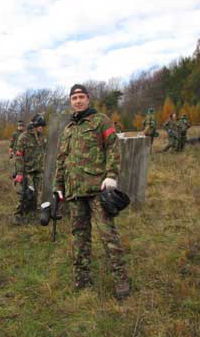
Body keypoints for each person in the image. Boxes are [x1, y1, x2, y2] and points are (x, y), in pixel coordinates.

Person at [53, 84, 130, 300]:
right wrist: (58, 187)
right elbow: (62, 161)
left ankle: (121, 279)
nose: (78, 101)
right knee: (79, 237)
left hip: (97, 189)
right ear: (70, 101)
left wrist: (111, 176)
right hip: (74, 192)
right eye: (74, 97)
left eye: (81, 97)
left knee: (108, 235)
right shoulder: (68, 129)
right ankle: (82, 278)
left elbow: (113, 147)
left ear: (88, 99)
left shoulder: (100, 121)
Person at [13, 114, 46, 224]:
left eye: (43, 126)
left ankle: (32, 214)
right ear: (35, 125)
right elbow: (19, 155)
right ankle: (17, 214)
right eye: (40, 126)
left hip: (38, 170)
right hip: (27, 171)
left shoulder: (41, 137)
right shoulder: (24, 137)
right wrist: (19, 173)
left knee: (37, 194)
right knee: (26, 193)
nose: (42, 128)